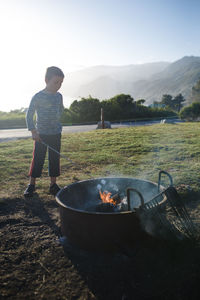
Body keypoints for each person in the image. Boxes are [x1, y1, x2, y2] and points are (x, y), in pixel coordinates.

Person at [24, 66, 65, 197]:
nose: (58, 86)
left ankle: (53, 185)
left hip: (55, 134)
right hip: (41, 134)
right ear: (46, 80)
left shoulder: (59, 96)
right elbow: (29, 115)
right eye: (56, 82)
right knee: (38, 159)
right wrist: (33, 132)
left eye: (61, 83)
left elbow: (61, 110)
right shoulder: (38, 96)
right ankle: (32, 185)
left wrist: (58, 123)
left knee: (54, 159)